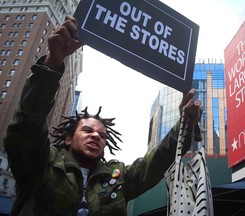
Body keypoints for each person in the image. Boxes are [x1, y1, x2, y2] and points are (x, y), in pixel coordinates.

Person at [3, 16, 203, 216]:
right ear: (68, 138)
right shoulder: (42, 162)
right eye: (87, 130)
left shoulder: (117, 177)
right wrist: (53, 61)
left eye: (102, 135)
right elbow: (26, 125)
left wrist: (185, 124)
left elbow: (157, 162)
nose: (96, 136)